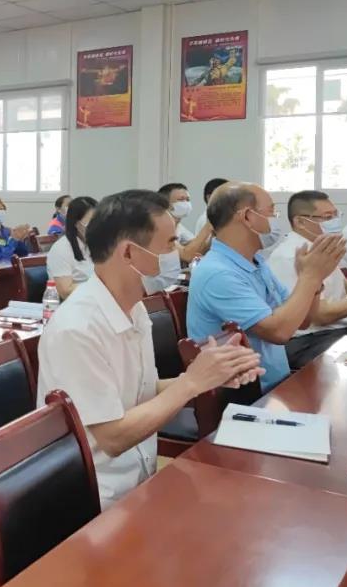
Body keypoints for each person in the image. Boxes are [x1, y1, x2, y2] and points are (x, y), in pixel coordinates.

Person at [37, 189, 261, 509]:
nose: (178, 254)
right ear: (129, 253)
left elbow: (144, 389)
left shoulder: (135, 308)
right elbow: (112, 438)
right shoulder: (77, 328)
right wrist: (190, 383)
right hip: (97, 499)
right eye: (169, 244)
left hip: (140, 478)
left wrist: (211, 376)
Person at [187, 183, 344, 393]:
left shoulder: (256, 263)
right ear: (247, 217)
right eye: (271, 212)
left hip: (276, 381)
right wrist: (309, 277)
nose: (275, 220)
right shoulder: (218, 273)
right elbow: (279, 332)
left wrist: (314, 280)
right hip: (245, 394)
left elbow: (304, 320)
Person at [267, 191, 347, 369]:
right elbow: (320, 315)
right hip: (310, 339)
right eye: (327, 217)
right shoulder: (291, 255)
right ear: (300, 222)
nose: (334, 221)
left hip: (336, 330)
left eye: (336, 215)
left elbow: (344, 286)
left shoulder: (320, 247)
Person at [46, 196, 98, 299]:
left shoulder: (96, 244)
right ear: (77, 224)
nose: (97, 227)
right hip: (74, 304)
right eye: (91, 222)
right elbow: (65, 291)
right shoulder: (61, 249)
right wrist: (100, 287)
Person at [158, 182, 210, 262]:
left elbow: (197, 247)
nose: (186, 203)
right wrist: (209, 225)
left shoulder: (179, 227)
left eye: (188, 200)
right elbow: (188, 256)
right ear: (166, 204)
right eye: (181, 200)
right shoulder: (160, 228)